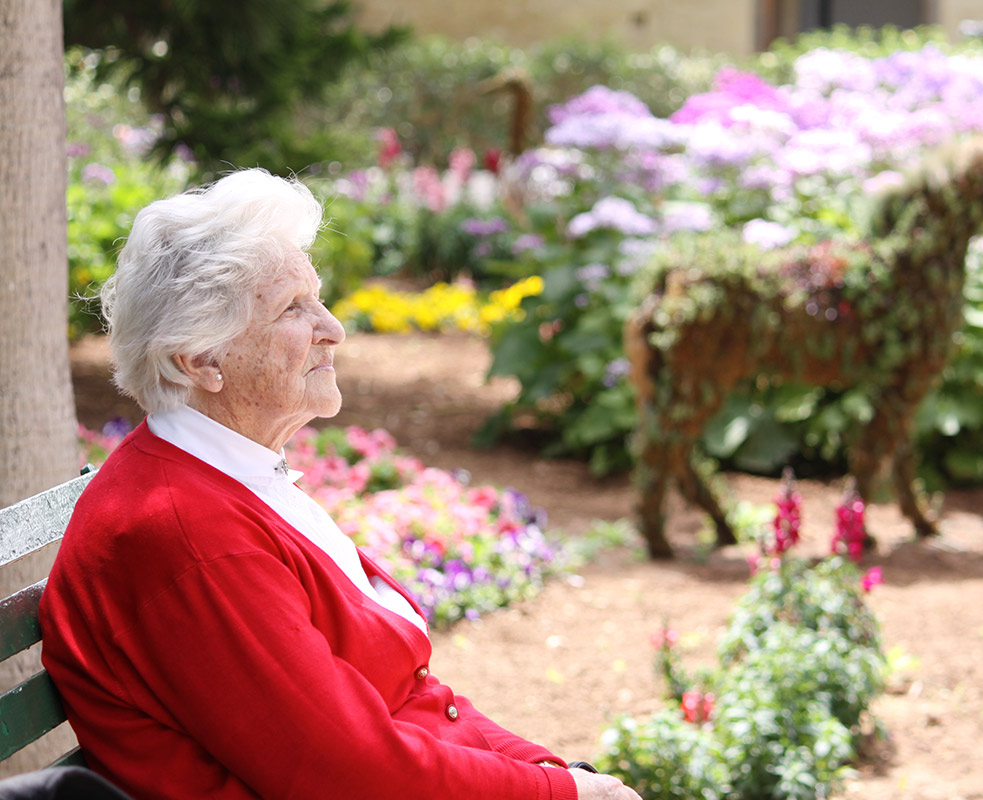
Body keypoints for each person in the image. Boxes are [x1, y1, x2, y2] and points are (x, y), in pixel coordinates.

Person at [40, 169, 642, 800]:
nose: (333, 328)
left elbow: (412, 696)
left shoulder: (233, 479)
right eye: (293, 309)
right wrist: (561, 794)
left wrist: (554, 776)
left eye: (318, 299)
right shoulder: (189, 535)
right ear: (200, 360)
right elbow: (347, 774)